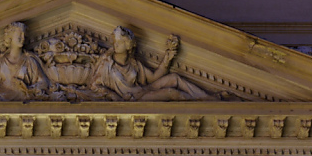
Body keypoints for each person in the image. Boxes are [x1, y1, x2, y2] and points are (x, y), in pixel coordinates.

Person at [88, 27, 218, 101]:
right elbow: (94, 85)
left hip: (143, 91)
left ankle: (207, 98)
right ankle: (200, 105)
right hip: (135, 99)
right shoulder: (107, 64)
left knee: (174, 78)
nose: (115, 44)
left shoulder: (133, 63)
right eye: (115, 41)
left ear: (128, 45)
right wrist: (114, 96)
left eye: (120, 42)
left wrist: (167, 58)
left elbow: (154, 77)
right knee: (171, 92)